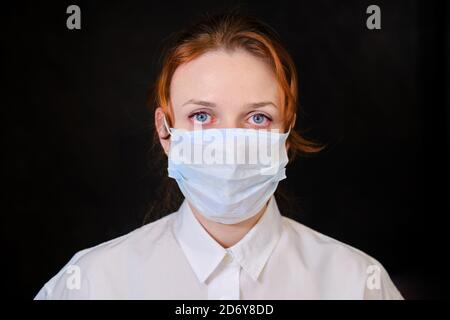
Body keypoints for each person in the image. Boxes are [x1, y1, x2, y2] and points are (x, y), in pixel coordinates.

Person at [35, 10, 403, 300]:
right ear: (166, 132)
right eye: (201, 116)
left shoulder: (358, 285)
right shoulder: (91, 285)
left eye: (258, 117)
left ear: (286, 134)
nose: (230, 141)